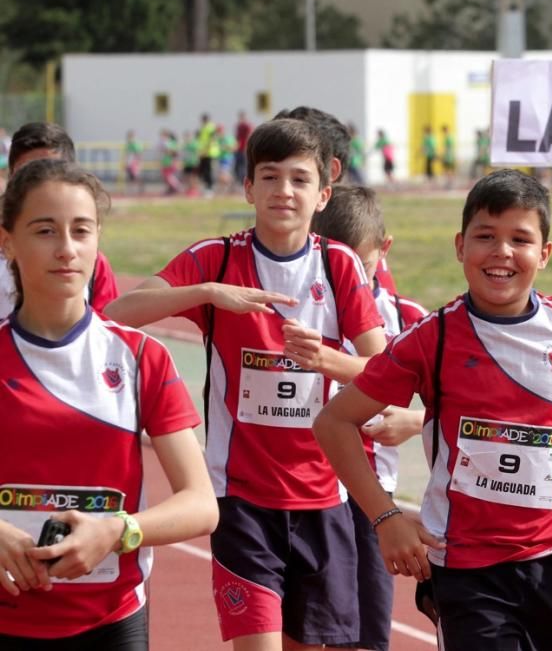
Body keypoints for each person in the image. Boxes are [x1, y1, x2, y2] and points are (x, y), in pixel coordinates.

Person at [313, 168, 552, 650]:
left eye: (520, 239)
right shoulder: (433, 338)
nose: (502, 252)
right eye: (486, 236)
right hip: (468, 570)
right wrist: (385, 519)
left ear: (544, 254)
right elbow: (335, 421)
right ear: (460, 246)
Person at [103, 118, 387, 651]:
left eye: (300, 180)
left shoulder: (339, 264)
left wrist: (327, 359)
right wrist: (209, 293)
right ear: (248, 187)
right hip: (242, 501)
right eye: (271, 177)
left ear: (323, 193)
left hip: (324, 498)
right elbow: (119, 313)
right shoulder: (218, 258)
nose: (284, 191)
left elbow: (385, 373)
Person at [0, 159, 218, 649]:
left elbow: (202, 505)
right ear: (7, 241)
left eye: (82, 230)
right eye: (44, 230)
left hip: (110, 625)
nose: (66, 249)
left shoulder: (142, 358)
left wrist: (120, 531)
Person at [312, 184, 427, 651]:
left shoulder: (411, 319)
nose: (350, 277)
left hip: (370, 497)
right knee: (311, 631)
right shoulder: (304, 308)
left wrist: (415, 421)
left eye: (362, 263)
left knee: (366, 636)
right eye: (337, 262)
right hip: (309, 494)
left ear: (385, 249)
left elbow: (463, 404)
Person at [274, 106, 398, 295]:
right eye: (271, 174)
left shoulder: (359, 247)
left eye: (297, 175)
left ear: (330, 171)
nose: (282, 190)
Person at [1, 122, 120, 317]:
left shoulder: (93, 265)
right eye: (29, 174)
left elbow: (107, 327)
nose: (42, 184)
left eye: (53, 170)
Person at [197, 113, 217, 196]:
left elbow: (212, 139)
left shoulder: (210, 127)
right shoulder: (203, 128)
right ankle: (206, 187)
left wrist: (207, 149)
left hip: (209, 153)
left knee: (208, 171)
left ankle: (210, 188)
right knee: (202, 171)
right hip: (203, 153)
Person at [158, 129, 182, 196]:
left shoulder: (168, 142)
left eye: (163, 135)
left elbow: (174, 152)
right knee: (165, 176)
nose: (161, 136)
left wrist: (167, 151)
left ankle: (177, 186)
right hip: (165, 161)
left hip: (169, 161)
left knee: (168, 176)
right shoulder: (164, 142)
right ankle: (170, 189)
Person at [234, 110, 253, 185]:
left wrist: (247, 146)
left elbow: (249, 135)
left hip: (244, 149)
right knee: (237, 167)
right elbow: (237, 138)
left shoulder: (247, 125)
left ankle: (244, 182)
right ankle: (239, 182)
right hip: (239, 149)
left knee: (243, 167)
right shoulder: (238, 126)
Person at [123, 130, 144, 194]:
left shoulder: (135, 144)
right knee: (130, 176)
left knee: (135, 176)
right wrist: (126, 162)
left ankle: (140, 188)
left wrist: (138, 163)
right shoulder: (128, 145)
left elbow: (139, 154)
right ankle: (131, 189)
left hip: (134, 163)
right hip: (129, 162)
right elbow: (126, 154)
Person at [181, 130, 200, 197]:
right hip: (187, 163)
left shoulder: (193, 144)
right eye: (185, 137)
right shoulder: (185, 145)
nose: (186, 138)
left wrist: (197, 161)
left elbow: (197, 152)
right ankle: (189, 189)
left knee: (193, 177)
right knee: (186, 177)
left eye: (187, 137)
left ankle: (195, 190)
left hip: (193, 163)